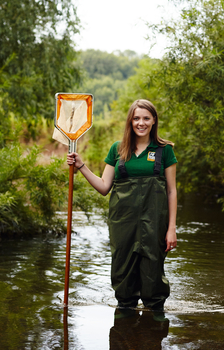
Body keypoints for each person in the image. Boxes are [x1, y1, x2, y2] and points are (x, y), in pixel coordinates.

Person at [67, 99, 177, 313]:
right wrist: (81, 166)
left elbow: (172, 191)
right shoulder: (118, 149)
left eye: (146, 118)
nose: (141, 123)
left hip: (154, 223)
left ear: (154, 120)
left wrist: (172, 228)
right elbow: (104, 186)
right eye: (136, 118)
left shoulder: (165, 151)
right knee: (122, 272)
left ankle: (155, 321)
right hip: (122, 223)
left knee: (152, 271)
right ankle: (124, 320)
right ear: (130, 121)